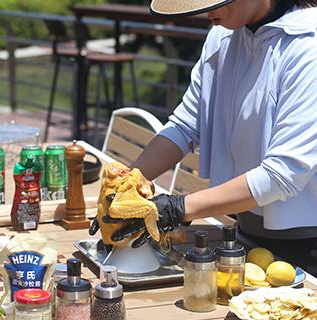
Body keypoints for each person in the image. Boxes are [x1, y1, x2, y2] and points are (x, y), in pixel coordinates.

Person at [89, 0, 317, 276]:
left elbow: (284, 173)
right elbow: (185, 126)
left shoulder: (307, 45)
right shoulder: (224, 35)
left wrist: (177, 208)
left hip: (307, 245)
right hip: (244, 232)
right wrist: (127, 186)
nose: (206, 11)